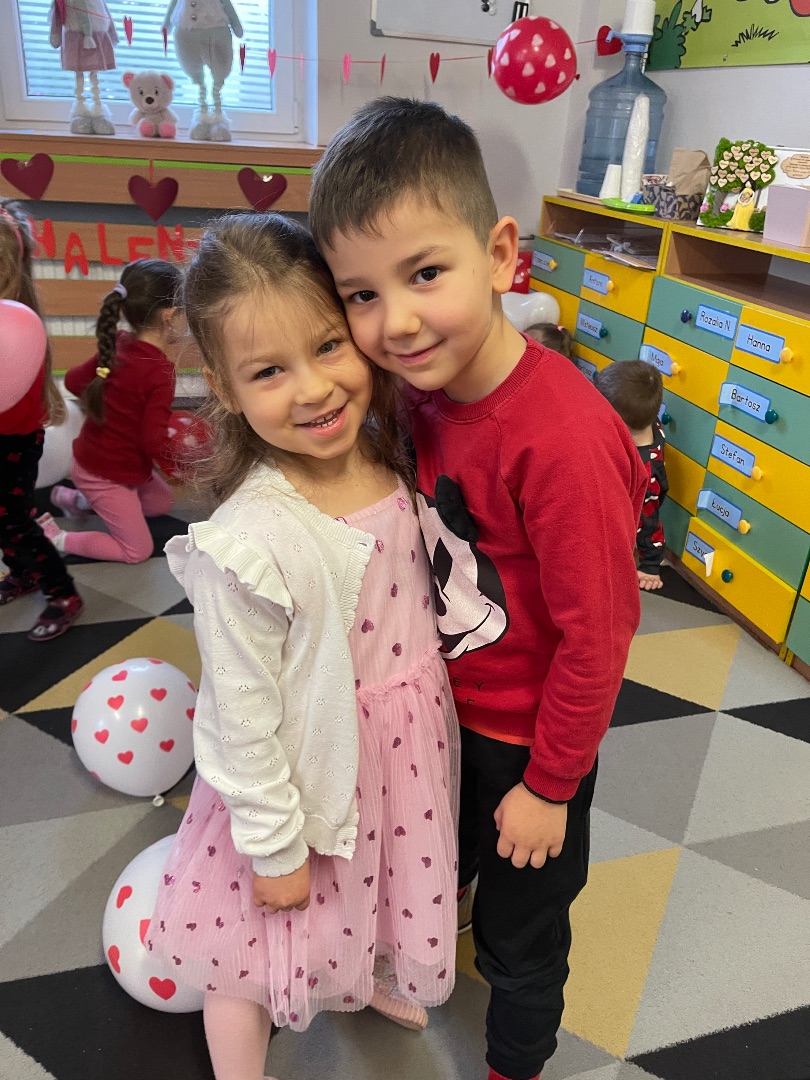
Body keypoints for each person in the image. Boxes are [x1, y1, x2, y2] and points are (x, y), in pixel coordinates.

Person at [309, 96, 647, 1080]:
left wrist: (550, 786)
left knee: (521, 936)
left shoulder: (564, 439)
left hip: (527, 748)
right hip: (437, 718)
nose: (397, 322)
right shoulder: (419, 395)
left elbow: (599, 639)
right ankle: (416, 954)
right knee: (430, 870)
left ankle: (514, 1065)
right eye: (361, 294)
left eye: (425, 274)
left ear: (501, 256)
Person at [146, 213, 459, 1080]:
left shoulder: (390, 448)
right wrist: (275, 848)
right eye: (269, 371)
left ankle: (369, 973)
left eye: (327, 346)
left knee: (387, 888)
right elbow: (239, 716)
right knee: (253, 948)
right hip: (304, 772)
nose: (314, 389)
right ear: (223, 385)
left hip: (400, 748)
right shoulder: (251, 538)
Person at [37, 259, 182, 563]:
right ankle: (56, 537)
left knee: (160, 504)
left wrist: (112, 403)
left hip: (121, 464)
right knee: (137, 551)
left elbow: (74, 381)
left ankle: (75, 499)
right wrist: (178, 467)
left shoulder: (118, 343)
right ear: (170, 316)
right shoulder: (160, 372)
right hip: (102, 474)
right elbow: (153, 440)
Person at [0, 199, 84, 641]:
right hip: (10, 436)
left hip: (12, 442)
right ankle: (23, 573)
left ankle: (63, 593)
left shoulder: (16, 328)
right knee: (4, 521)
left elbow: (12, 402)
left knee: (15, 521)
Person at [593, 360, 669, 591]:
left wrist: (650, 565)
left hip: (628, 507)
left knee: (641, 518)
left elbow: (648, 520)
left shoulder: (644, 468)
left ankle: (648, 565)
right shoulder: (643, 417)